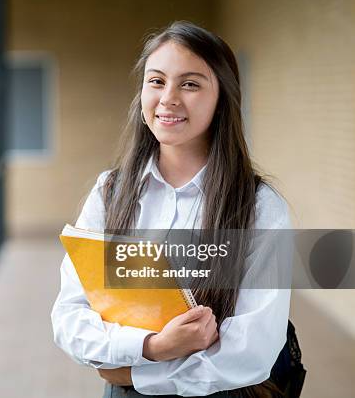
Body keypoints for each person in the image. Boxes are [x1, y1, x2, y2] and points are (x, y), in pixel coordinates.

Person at [51, 21, 304, 397]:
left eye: (190, 84)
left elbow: (250, 352)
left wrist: (134, 373)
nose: (168, 98)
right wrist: (155, 347)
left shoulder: (260, 207)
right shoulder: (110, 193)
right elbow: (69, 320)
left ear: (222, 100)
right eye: (156, 81)